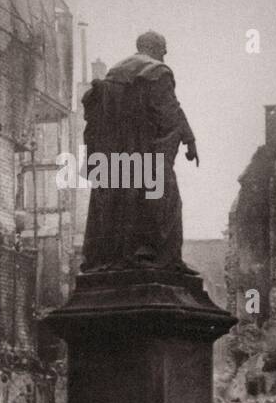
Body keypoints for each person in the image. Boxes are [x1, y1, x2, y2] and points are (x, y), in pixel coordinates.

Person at [80, 31, 198, 273]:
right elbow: (169, 112)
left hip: (117, 161)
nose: (165, 54)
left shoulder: (114, 72)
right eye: (164, 49)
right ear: (155, 48)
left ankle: (119, 256)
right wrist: (188, 139)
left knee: (122, 205)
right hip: (145, 156)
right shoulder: (156, 71)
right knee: (168, 200)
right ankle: (160, 257)